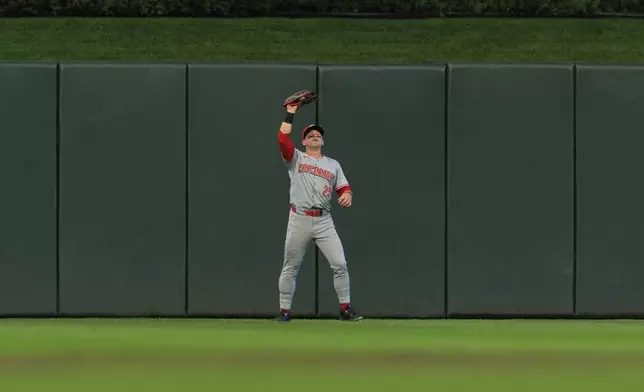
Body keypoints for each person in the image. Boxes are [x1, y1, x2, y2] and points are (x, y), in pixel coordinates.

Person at [274, 101, 362, 322]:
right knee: (290, 266)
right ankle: (284, 311)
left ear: (322, 140)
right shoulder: (296, 158)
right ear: (303, 141)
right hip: (300, 217)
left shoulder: (333, 164)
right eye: (310, 134)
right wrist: (290, 112)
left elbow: (344, 187)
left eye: (318, 134)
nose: (315, 136)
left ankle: (345, 308)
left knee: (340, 264)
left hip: (324, 220)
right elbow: (283, 140)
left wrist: (347, 195)